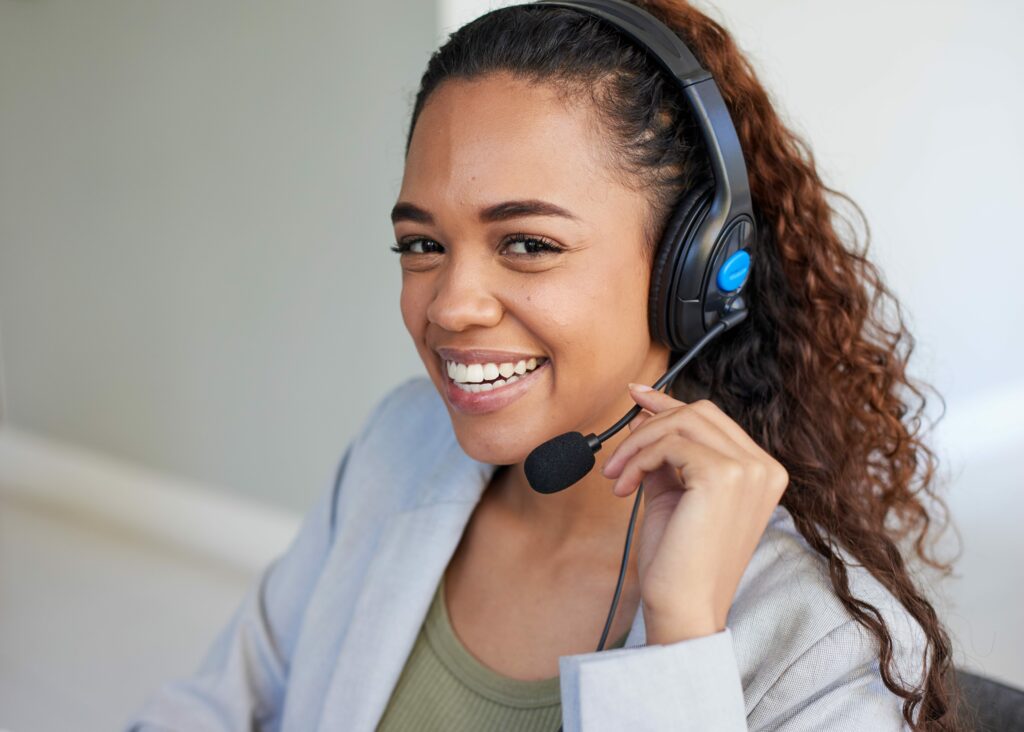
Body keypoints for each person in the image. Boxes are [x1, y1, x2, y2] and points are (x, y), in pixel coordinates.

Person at [125, 1, 962, 730]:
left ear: (695, 273)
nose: (450, 304)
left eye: (527, 244)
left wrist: (681, 638)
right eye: (423, 243)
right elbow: (223, 703)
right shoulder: (400, 445)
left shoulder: (832, 645)